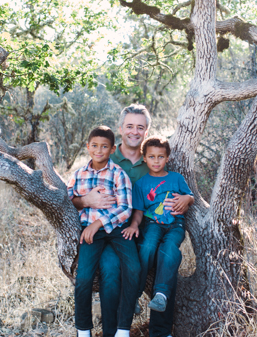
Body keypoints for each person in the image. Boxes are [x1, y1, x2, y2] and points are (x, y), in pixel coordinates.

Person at [73, 104, 194, 337]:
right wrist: (85, 200)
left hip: (144, 229)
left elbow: (171, 185)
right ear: (120, 129)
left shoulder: (152, 157)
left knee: (166, 257)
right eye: (129, 126)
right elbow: (74, 198)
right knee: (110, 268)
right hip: (112, 231)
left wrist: (187, 198)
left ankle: (160, 330)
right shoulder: (107, 155)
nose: (134, 132)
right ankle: (117, 329)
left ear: (146, 131)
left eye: (140, 127)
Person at [68, 126, 140, 337]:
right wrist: (82, 201)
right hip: (91, 234)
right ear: (87, 146)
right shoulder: (79, 174)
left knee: (133, 268)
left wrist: (97, 222)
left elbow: (125, 208)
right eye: (95, 146)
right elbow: (68, 200)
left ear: (112, 149)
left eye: (105, 147)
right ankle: (83, 330)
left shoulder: (118, 174)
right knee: (84, 278)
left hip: (116, 229)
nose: (99, 150)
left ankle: (122, 329)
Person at [122, 136, 192, 313]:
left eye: (161, 156)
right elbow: (138, 211)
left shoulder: (176, 178)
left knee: (170, 249)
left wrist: (187, 198)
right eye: (151, 156)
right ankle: (134, 296)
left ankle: (161, 295)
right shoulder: (141, 184)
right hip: (152, 223)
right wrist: (134, 225)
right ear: (144, 158)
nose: (156, 160)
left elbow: (190, 197)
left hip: (175, 224)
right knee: (147, 248)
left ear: (167, 158)